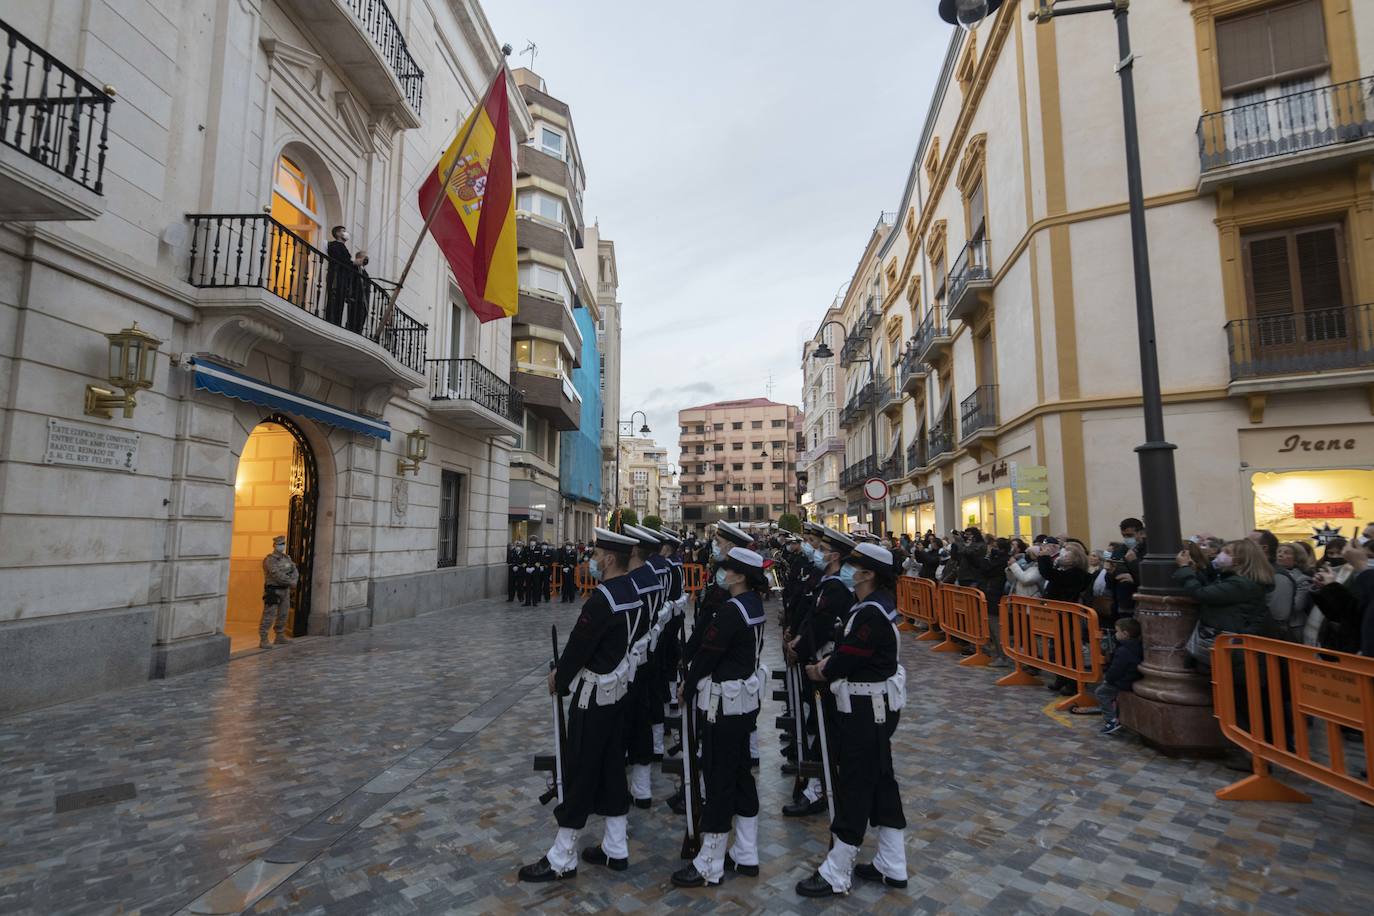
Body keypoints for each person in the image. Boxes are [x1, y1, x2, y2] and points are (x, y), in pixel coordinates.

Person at [519, 528, 642, 882]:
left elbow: (579, 645)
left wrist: (560, 676)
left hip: (593, 700)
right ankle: (616, 847)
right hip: (617, 694)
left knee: (580, 773)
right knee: (611, 770)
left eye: (596, 554)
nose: (591, 559)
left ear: (608, 559)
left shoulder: (602, 599)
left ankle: (562, 856)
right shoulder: (631, 592)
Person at [796, 542, 907, 897]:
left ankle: (836, 871)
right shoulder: (872, 606)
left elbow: (848, 657)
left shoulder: (872, 613)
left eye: (854, 566)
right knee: (881, 784)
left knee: (856, 788)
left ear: (869, 574)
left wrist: (820, 670)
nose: (848, 570)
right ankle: (892, 862)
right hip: (869, 709)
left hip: (865, 711)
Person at [670, 547, 770, 888]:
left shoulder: (731, 610)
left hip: (723, 709)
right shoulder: (753, 605)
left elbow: (708, 653)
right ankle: (745, 852)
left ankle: (709, 862)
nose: (722, 574)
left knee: (718, 779)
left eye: (727, 569)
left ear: (740, 576)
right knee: (741, 775)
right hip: (741, 706)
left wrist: (688, 683)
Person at [1095, 617, 1143, 735]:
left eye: (1117, 631)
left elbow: (1116, 669)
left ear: (1125, 634)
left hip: (1123, 681)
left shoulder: (1123, 650)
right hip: (1132, 678)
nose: (1115, 634)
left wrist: (1108, 679)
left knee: (1101, 692)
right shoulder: (1137, 646)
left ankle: (1111, 720)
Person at [260, 535, 299, 649]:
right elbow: (276, 574)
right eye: (280, 544)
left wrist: (294, 580)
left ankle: (280, 636)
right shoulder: (269, 560)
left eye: (283, 543)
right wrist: (290, 582)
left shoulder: (287, 558)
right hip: (273, 590)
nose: (282, 546)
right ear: (274, 545)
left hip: (285, 590)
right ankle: (263, 638)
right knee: (269, 614)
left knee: (283, 613)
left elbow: (294, 570)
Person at [324, 225, 352, 326]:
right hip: (336, 276)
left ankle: (337, 321)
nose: (345, 233)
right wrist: (352, 263)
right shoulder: (334, 245)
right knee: (334, 299)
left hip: (342, 277)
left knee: (340, 300)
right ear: (337, 234)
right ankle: (331, 320)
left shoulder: (343, 246)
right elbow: (341, 259)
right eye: (343, 231)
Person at [346, 249, 371, 334]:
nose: (366, 258)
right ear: (359, 258)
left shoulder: (365, 273)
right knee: (353, 320)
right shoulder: (354, 268)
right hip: (355, 299)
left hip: (363, 301)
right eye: (364, 256)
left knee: (361, 320)